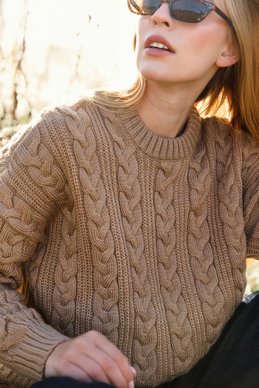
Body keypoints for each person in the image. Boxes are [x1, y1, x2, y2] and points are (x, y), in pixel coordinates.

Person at [0, 0, 259, 387]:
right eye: (151, 1)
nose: (160, 15)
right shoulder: (66, 137)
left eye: (190, 6)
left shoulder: (235, 158)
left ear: (230, 49)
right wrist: (48, 350)